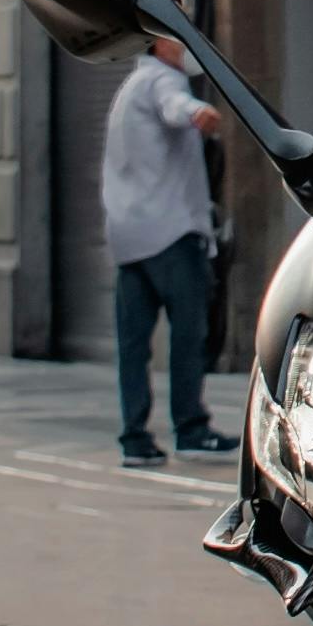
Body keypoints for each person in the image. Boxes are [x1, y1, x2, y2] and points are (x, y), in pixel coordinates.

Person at [103, 33, 235, 469]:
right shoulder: (163, 80)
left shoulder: (127, 90)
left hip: (129, 237)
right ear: (160, 44)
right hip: (173, 233)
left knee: (133, 344)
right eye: (179, 40)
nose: (187, 48)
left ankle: (134, 438)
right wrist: (197, 111)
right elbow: (174, 106)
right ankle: (191, 429)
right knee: (188, 335)